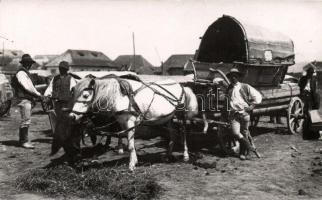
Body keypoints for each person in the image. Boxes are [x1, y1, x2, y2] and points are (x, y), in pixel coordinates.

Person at [226, 68, 262, 160]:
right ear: (229, 78)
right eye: (231, 76)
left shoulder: (245, 86)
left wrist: (252, 106)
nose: (233, 78)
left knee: (244, 133)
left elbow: (258, 96)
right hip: (234, 114)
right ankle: (250, 147)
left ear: (238, 77)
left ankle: (243, 153)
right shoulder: (229, 88)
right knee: (236, 133)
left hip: (245, 114)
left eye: (235, 76)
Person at [11, 54, 43, 149]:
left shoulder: (24, 73)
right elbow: (28, 87)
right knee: (26, 120)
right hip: (23, 99)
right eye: (28, 63)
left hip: (25, 99)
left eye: (30, 63)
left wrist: (38, 94)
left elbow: (30, 87)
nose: (29, 65)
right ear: (25, 64)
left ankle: (24, 140)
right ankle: (23, 141)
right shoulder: (21, 73)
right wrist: (38, 95)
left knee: (26, 119)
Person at [298, 66, 320, 139]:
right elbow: (300, 87)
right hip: (303, 96)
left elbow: (314, 91)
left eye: (312, 73)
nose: (311, 75)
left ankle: (312, 132)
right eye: (310, 73)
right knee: (307, 113)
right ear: (307, 73)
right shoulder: (303, 78)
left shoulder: (313, 80)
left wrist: (315, 100)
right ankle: (308, 131)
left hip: (311, 96)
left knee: (313, 114)